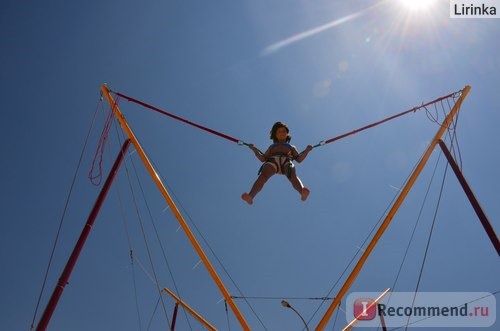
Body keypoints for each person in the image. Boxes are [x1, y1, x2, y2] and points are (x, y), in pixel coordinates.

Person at [241, 121, 313, 205]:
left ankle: (302, 192)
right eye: (279, 131)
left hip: (286, 161)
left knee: (293, 175)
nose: (282, 133)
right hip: (272, 161)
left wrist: (307, 150)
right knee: (263, 176)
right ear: (275, 134)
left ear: (287, 134)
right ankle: (251, 196)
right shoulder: (271, 147)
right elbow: (263, 158)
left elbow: (299, 159)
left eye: (284, 131)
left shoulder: (291, 147)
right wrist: (254, 150)